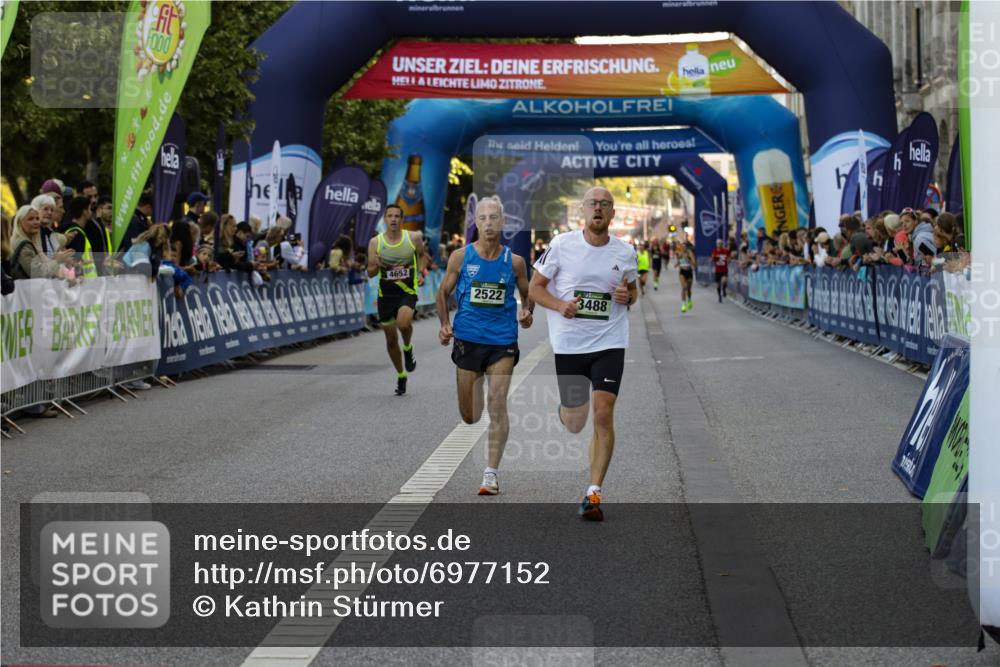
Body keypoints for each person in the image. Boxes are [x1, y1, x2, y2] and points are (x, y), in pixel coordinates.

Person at [528, 186, 638, 521]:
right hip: (570, 344)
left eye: (606, 204)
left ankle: (593, 493)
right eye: (594, 204)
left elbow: (633, 291)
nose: (599, 209)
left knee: (603, 413)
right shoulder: (562, 246)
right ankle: (566, 409)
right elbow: (535, 288)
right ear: (584, 211)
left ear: (613, 214)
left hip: (609, 341)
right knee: (576, 422)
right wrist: (561, 305)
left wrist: (627, 296)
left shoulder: (626, 252)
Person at [436, 196, 533, 495]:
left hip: (502, 341)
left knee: (497, 404)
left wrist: (527, 312)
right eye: (483, 218)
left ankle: (490, 474)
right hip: (467, 339)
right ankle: (473, 392)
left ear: (503, 222)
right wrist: (444, 323)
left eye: (494, 218)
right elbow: (443, 292)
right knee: (470, 416)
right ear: (475, 222)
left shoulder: (514, 262)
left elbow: (528, 293)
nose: (489, 223)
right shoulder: (460, 257)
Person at [367, 204, 427, 396]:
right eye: (389, 216)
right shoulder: (375, 243)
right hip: (386, 295)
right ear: (385, 219)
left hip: (407, 291)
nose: (393, 219)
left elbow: (422, 256)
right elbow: (370, 272)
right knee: (391, 340)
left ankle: (408, 348)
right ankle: (401, 375)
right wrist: (375, 265)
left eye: (396, 216)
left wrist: (420, 273)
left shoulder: (414, 238)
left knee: (403, 323)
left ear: (402, 219)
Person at [675, 237, 695, 312]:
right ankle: (683, 304)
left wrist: (689, 259)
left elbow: (694, 264)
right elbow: (678, 263)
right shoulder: (679, 254)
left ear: (687, 247)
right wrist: (677, 263)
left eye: (684, 246)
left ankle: (689, 299)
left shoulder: (690, 253)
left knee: (689, 289)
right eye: (682, 246)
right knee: (684, 287)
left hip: (689, 271)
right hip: (682, 272)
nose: (683, 248)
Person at [711, 238, 730, 302]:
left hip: (724, 269)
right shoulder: (715, 251)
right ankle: (719, 296)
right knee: (718, 285)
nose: (719, 245)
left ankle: (724, 290)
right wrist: (714, 258)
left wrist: (728, 260)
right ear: (716, 244)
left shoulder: (726, 251)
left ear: (722, 244)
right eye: (718, 244)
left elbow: (729, 258)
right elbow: (711, 259)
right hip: (717, 270)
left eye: (721, 243)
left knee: (724, 281)